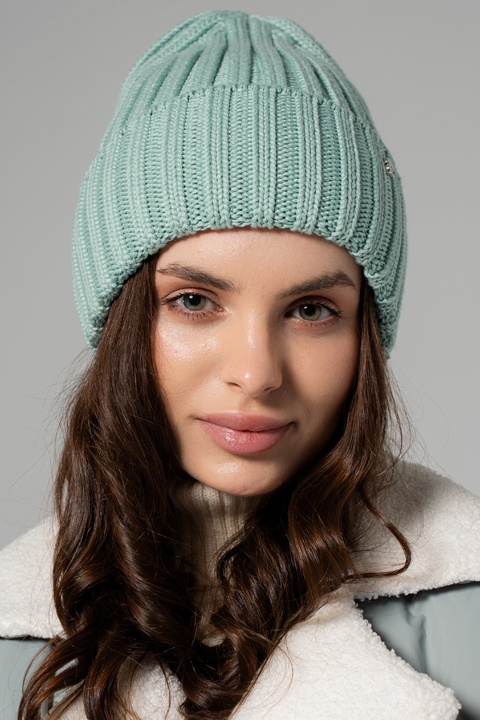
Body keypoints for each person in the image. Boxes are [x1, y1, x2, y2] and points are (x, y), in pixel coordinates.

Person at [0, 10, 479, 720]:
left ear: (366, 333)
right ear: (122, 321)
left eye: (311, 309)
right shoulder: (17, 638)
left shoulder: (463, 609)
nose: (256, 374)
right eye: (194, 301)